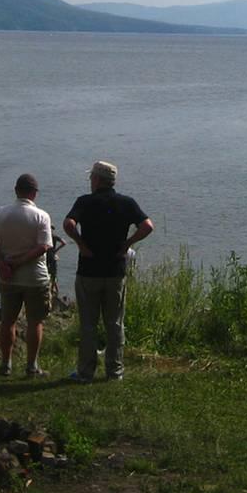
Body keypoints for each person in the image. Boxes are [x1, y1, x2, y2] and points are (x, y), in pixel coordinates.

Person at [63, 160, 153, 382]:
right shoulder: (126, 203)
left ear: (96, 180)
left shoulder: (85, 202)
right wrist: (127, 244)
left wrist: (82, 245)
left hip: (88, 271)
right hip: (115, 271)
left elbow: (68, 224)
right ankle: (114, 372)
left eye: (91, 178)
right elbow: (148, 226)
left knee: (88, 324)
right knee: (114, 324)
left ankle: (85, 372)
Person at [0, 173, 55, 377]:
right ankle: (32, 366)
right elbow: (43, 247)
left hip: (8, 278)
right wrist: (20, 261)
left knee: (8, 321)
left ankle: (6, 364)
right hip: (35, 277)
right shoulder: (41, 216)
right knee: (35, 321)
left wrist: (2, 265)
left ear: (16, 191)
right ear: (34, 193)